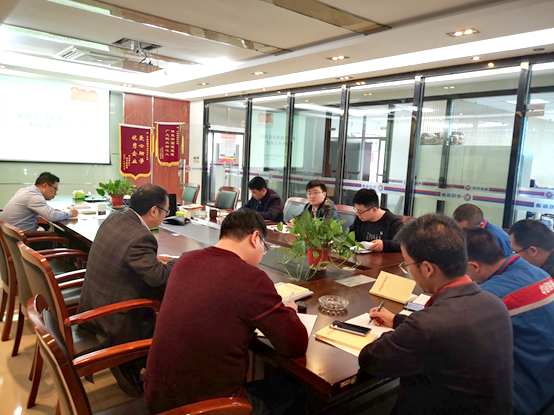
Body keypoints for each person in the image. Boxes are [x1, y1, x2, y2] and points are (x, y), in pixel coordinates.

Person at [145, 208, 308, 415]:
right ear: (255, 238)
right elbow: (295, 344)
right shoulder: (251, 278)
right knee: (297, 393)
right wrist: (290, 311)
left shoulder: (185, 261)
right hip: (206, 408)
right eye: (264, 247)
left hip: (158, 397)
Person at [359, 214, 514, 415]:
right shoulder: (495, 305)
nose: (408, 271)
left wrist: (400, 332)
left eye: (407, 264)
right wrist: (398, 320)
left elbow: (370, 359)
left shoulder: (426, 327)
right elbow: (449, 334)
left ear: (427, 268)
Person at [77, 184, 178, 396]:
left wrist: (152, 260)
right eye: (166, 211)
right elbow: (158, 277)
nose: (165, 215)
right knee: (172, 319)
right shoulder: (141, 237)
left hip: (93, 303)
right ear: (154, 211)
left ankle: (131, 367)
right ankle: (137, 370)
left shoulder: (117, 217)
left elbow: (129, 256)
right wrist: (178, 261)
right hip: (113, 321)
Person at [464, 227, 554, 415]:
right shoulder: (537, 272)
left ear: (474, 266)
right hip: (546, 376)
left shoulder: (492, 296)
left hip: (526, 394)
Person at [0, 172, 77, 232]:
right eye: (55, 189)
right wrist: (70, 213)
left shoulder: (25, 191)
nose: (55, 193)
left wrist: (52, 210)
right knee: (65, 239)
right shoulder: (35, 197)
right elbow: (52, 216)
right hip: (23, 240)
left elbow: (46, 210)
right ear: (45, 186)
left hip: (11, 237)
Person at [348, 188, 403, 252]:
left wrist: (384, 245)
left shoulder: (393, 223)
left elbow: (403, 243)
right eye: (356, 210)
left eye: (360, 211)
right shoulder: (361, 219)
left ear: (374, 210)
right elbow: (349, 234)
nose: (358, 214)